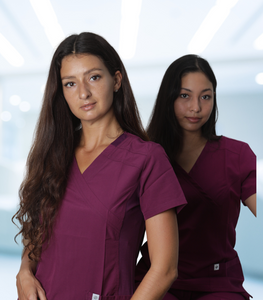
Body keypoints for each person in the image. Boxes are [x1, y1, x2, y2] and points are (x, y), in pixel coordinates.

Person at [13, 32, 187, 300]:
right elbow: (39, 235)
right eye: (70, 83)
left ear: (116, 80)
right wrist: (24, 272)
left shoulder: (147, 158)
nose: (83, 92)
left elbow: (165, 269)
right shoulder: (53, 155)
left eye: (94, 77)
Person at [135, 54, 257, 300]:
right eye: (184, 96)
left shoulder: (237, 155)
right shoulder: (145, 155)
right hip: (157, 279)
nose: (196, 108)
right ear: (169, 98)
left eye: (206, 96)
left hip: (218, 282)